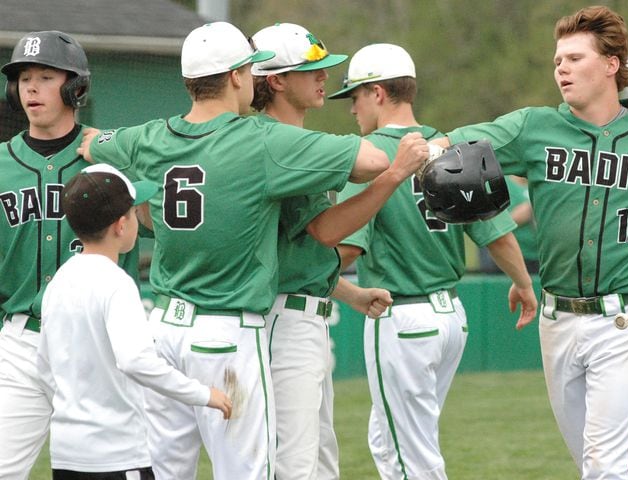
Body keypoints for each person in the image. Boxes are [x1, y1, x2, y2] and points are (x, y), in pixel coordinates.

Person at [79, 21, 392, 480]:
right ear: (236, 77)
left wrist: (149, 209)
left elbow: (91, 144)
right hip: (226, 331)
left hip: (165, 325)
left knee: (165, 471)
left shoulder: (149, 138)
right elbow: (372, 162)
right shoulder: (258, 141)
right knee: (250, 471)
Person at [433, 6, 628, 478]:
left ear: (611, 64)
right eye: (557, 61)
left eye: (574, 57)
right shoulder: (534, 127)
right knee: (591, 463)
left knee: (606, 467)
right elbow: (454, 143)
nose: (561, 69)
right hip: (558, 318)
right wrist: (420, 149)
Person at [330, 43, 538, 479]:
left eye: (355, 96)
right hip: (450, 320)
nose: (352, 109)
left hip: (401, 317)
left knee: (410, 458)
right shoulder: (452, 148)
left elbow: (346, 247)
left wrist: (303, 259)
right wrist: (523, 283)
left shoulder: (371, 157)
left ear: (379, 93)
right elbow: (496, 233)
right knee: (391, 443)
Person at [250, 23, 428, 479]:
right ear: (275, 80)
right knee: (292, 462)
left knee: (320, 459)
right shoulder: (270, 140)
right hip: (279, 318)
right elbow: (327, 231)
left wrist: (347, 292)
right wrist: (393, 176)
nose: (324, 78)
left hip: (301, 310)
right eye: (311, 70)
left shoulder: (286, 141)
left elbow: (297, 247)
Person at [37, 164, 233, 480]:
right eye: (132, 210)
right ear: (120, 225)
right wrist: (202, 394)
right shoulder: (117, 282)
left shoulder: (58, 281)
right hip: (117, 456)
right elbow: (135, 361)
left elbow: (45, 367)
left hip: (67, 455)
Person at [0, 30, 137, 479]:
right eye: (23, 78)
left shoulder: (107, 159)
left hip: (95, 343)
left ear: (75, 87)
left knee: (103, 471)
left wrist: (119, 155)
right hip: (19, 341)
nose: (31, 88)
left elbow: (152, 229)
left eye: (45, 76)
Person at [479, 175, 540, 274]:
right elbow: (489, 225)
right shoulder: (499, 184)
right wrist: (523, 213)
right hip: (508, 258)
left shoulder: (540, 184)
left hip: (538, 258)